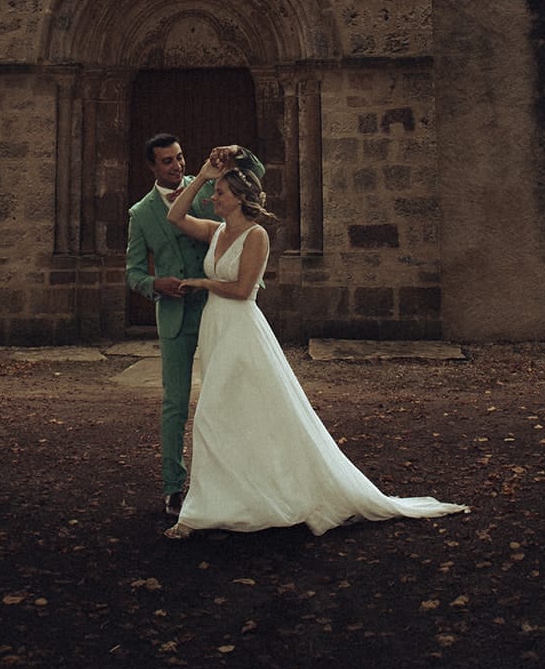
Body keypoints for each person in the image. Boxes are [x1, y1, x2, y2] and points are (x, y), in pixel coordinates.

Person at [162, 150, 469, 539]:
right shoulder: (216, 231)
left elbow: (242, 290)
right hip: (216, 328)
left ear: (238, 198)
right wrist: (204, 176)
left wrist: (203, 283)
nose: (213, 198)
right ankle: (234, 498)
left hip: (241, 331)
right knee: (232, 414)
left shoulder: (256, 236)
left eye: (219, 192)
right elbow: (175, 216)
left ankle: (201, 513)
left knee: (213, 415)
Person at [126, 134, 264, 517]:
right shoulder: (141, 213)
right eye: (167, 161)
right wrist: (156, 284)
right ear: (152, 167)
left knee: (229, 396)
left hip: (222, 309)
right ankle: (173, 487)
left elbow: (255, 175)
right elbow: (133, 272)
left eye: (180, 157)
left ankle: (233, 479)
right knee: (175, 403)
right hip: (175, 317)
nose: (177, 166)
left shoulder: (211, 189)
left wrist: (237, 152)